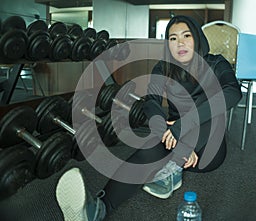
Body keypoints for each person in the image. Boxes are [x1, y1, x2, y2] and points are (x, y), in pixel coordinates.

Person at [55, 15, 242, 221]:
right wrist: (163, 128)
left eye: (186, 35)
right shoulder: (163, 68)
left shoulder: (216, 63)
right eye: (172, 38)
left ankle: (171, 168)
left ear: (197, 38)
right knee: (149, 149)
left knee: (214, 116)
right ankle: (98, 208)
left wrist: (184, 129)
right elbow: (151, 103)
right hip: (173, 135)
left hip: (208, 146)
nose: (179, 42)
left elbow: (232, 93)